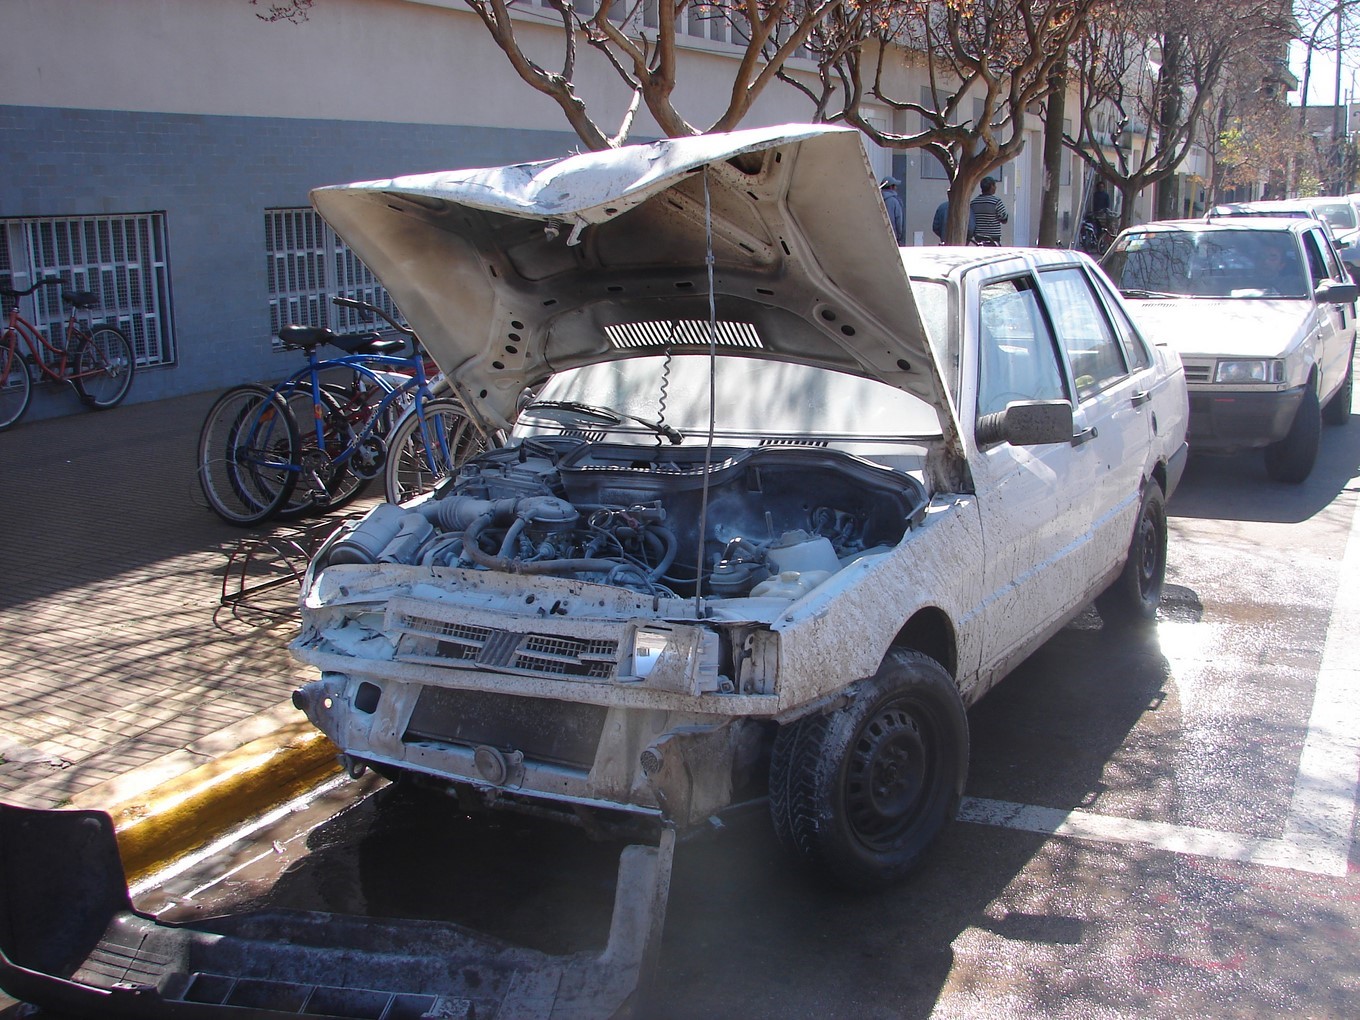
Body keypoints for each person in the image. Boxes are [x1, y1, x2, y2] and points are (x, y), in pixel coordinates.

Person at [969, 176, 1008, 245]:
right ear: (991, 187)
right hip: (993, 238)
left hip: (978, 237)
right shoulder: (996, 201)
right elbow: (1004, 219)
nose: (996, 188)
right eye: (994, 185)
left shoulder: (974, 203)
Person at [880, 177, 906, 245]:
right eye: (895, 186)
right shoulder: (894, 201)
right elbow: (898, 221)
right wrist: (899, 237)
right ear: (891, 187)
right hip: (892, 238)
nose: (896, 188)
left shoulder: (877, 199)